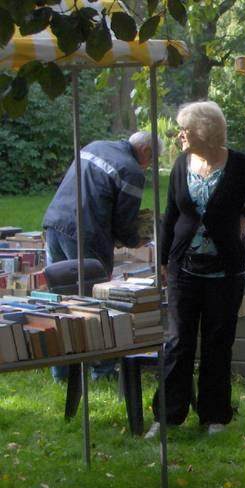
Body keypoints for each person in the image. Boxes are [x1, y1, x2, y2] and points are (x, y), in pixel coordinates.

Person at [146, 101, 245, 438]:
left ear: (204, 132)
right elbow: (171, 214)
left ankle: (214, 416)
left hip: (225, 269)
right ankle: (167, 416)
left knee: (217, 341)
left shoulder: (239, 165)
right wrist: (164, 260)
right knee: (179, 341)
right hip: (184, 266)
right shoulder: (182, 164)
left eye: (185, 128)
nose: (179, 134)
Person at [43, 131, 161, 381]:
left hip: (55, 223)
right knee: (99, 303)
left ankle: (61, 372)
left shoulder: (95, 145)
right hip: (87, 233)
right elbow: (124, 222)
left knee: (61, 302)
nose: (148, 167)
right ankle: (103, 371)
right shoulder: (131, 171)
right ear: (146, 152)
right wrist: (135, 240)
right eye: (151, 161)